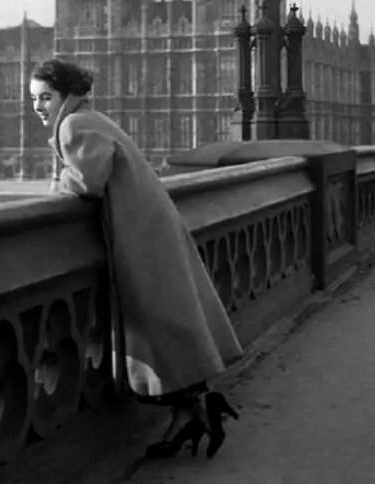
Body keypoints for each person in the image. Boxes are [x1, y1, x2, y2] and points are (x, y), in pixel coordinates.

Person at [30, 58, 242, 459]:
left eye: (45, 97)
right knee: (165, 323)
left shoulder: (75, 124)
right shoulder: (89, 118)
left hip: (139, 235)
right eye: (35, 99)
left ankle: (194, 406)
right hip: (147, 227)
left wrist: (56, 181)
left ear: (66, 96)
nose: (39, 106)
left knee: (155, 326)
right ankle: (195, 409)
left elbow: (86, 183)